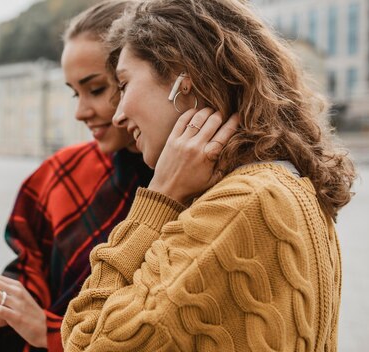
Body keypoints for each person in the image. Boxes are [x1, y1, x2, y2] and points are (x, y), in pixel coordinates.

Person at [61, 0, 356, 351]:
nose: (119, 114)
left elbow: (84, 342)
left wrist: (159, 198)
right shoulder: (287, 186)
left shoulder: (242, 205)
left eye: (123, 85)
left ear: (183, 79)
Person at [0, 1, 152, 351]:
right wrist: (2, 295)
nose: (79, 112)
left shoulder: (189, 186)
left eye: (96, 89)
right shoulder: (60, 171)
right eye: (74, 92)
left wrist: (50, 330)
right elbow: (36, 268)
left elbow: (157, 327)